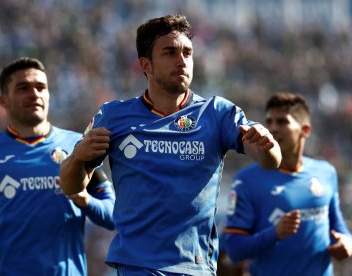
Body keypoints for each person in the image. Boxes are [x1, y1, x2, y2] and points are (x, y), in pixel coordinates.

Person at [60, 15, 281, 276]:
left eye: (188, 52)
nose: (182, 60)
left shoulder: (216, 113)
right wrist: (77, 158)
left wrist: (267, 144)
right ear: (146, 65)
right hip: (138, 266)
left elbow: (270, 160)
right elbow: (71, 185)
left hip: (195, 266)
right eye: (170, 52)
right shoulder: (113, 117)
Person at [0, 57, 115, 275]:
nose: (34, 93)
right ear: (3, 101)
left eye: (41, 87)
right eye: (23, 88)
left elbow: (113, 213)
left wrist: (86, 200)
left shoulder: (78, 146)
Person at [220, 92, 352, 275]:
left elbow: (338, 226)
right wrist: (274, 233)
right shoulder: (248, 180)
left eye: (282, 122)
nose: (273, 128)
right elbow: (234, 249)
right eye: (269, 122)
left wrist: (347, 242)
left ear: (305, 130)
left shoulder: (326, 172)